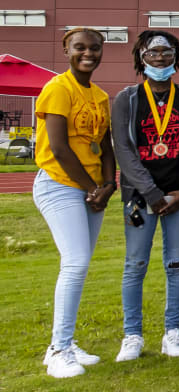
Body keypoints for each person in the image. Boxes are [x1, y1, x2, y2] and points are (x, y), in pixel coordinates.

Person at [112, 31, 179, 362]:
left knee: (176, 264)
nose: (160, 58)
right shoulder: (127, 98)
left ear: (176, 57)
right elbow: (123, 150)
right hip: (139, 197)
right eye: (153, 52)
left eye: (167, 52)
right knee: (135, 264)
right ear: (141, 56)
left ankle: (172, 332)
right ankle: (132, 335)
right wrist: (151, 193)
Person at [34, 27, 115, 378]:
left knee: (79, 266)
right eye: (79, 47)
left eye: (94, 48)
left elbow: (105, 145)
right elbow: (58, 148)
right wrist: (91, 188)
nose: (88, 53)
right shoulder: (57, 88)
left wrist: (109, 184)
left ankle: (67, 341)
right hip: (60, 184)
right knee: (76, 262)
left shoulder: (98, 94)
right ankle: (58, 349)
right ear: (65, 49)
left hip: (91, 188)